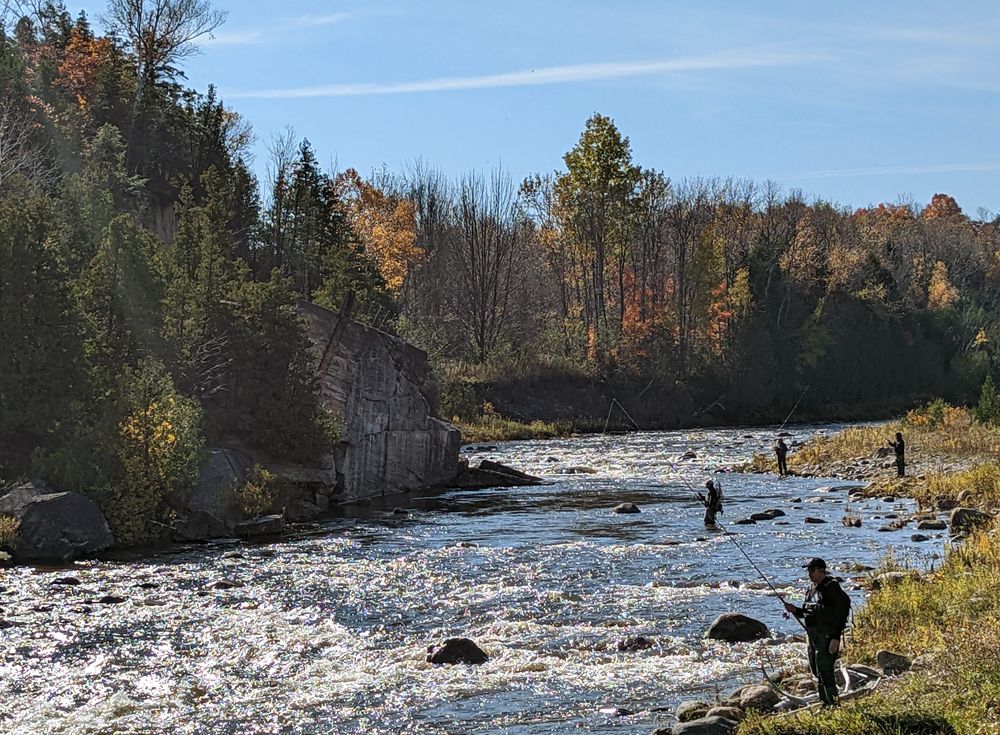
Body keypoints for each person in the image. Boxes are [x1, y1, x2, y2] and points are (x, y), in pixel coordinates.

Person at [783, 557, 851, 707]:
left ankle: (833, 704)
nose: (809, 573)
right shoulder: (810, 589)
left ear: (822, 570)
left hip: (827, 636)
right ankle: (824, 703)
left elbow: (840, 615)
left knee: (825, 670)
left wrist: (835, 638)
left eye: (812, 570)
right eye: (808, 570)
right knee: (816, 671)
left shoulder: (832, 588)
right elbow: (807, 612)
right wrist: (794, 610)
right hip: (812, 636)